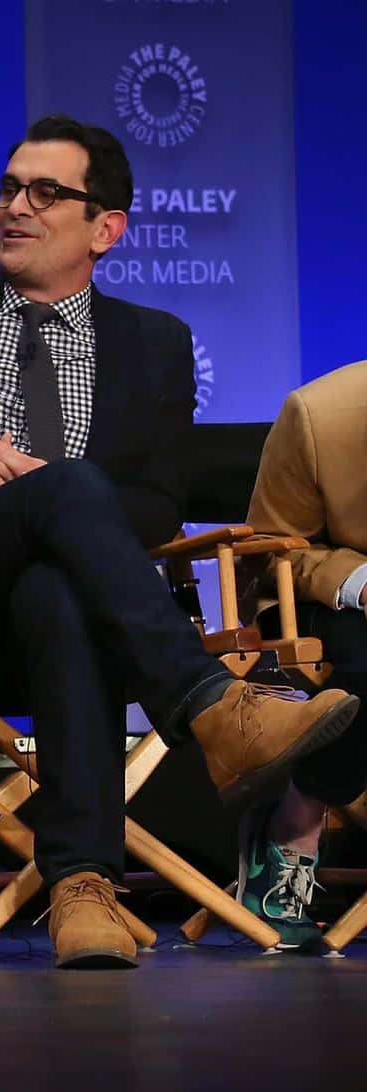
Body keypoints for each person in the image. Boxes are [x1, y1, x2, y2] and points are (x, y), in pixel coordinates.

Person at [0, 114, 360, 967]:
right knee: (67, 489)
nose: (15, 207)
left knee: (59, 579)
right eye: (8, 187)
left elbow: (156, 502)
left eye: (45, 192)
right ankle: (212, 707)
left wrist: (50, 487)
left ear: (106, 228)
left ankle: (82, 890)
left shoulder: (154, 343)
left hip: (74, 609)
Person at [238, 362, 367, 947]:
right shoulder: (320, 413)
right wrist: (360, 581)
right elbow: (270, 550)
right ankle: (293, 826)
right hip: (326, 596)